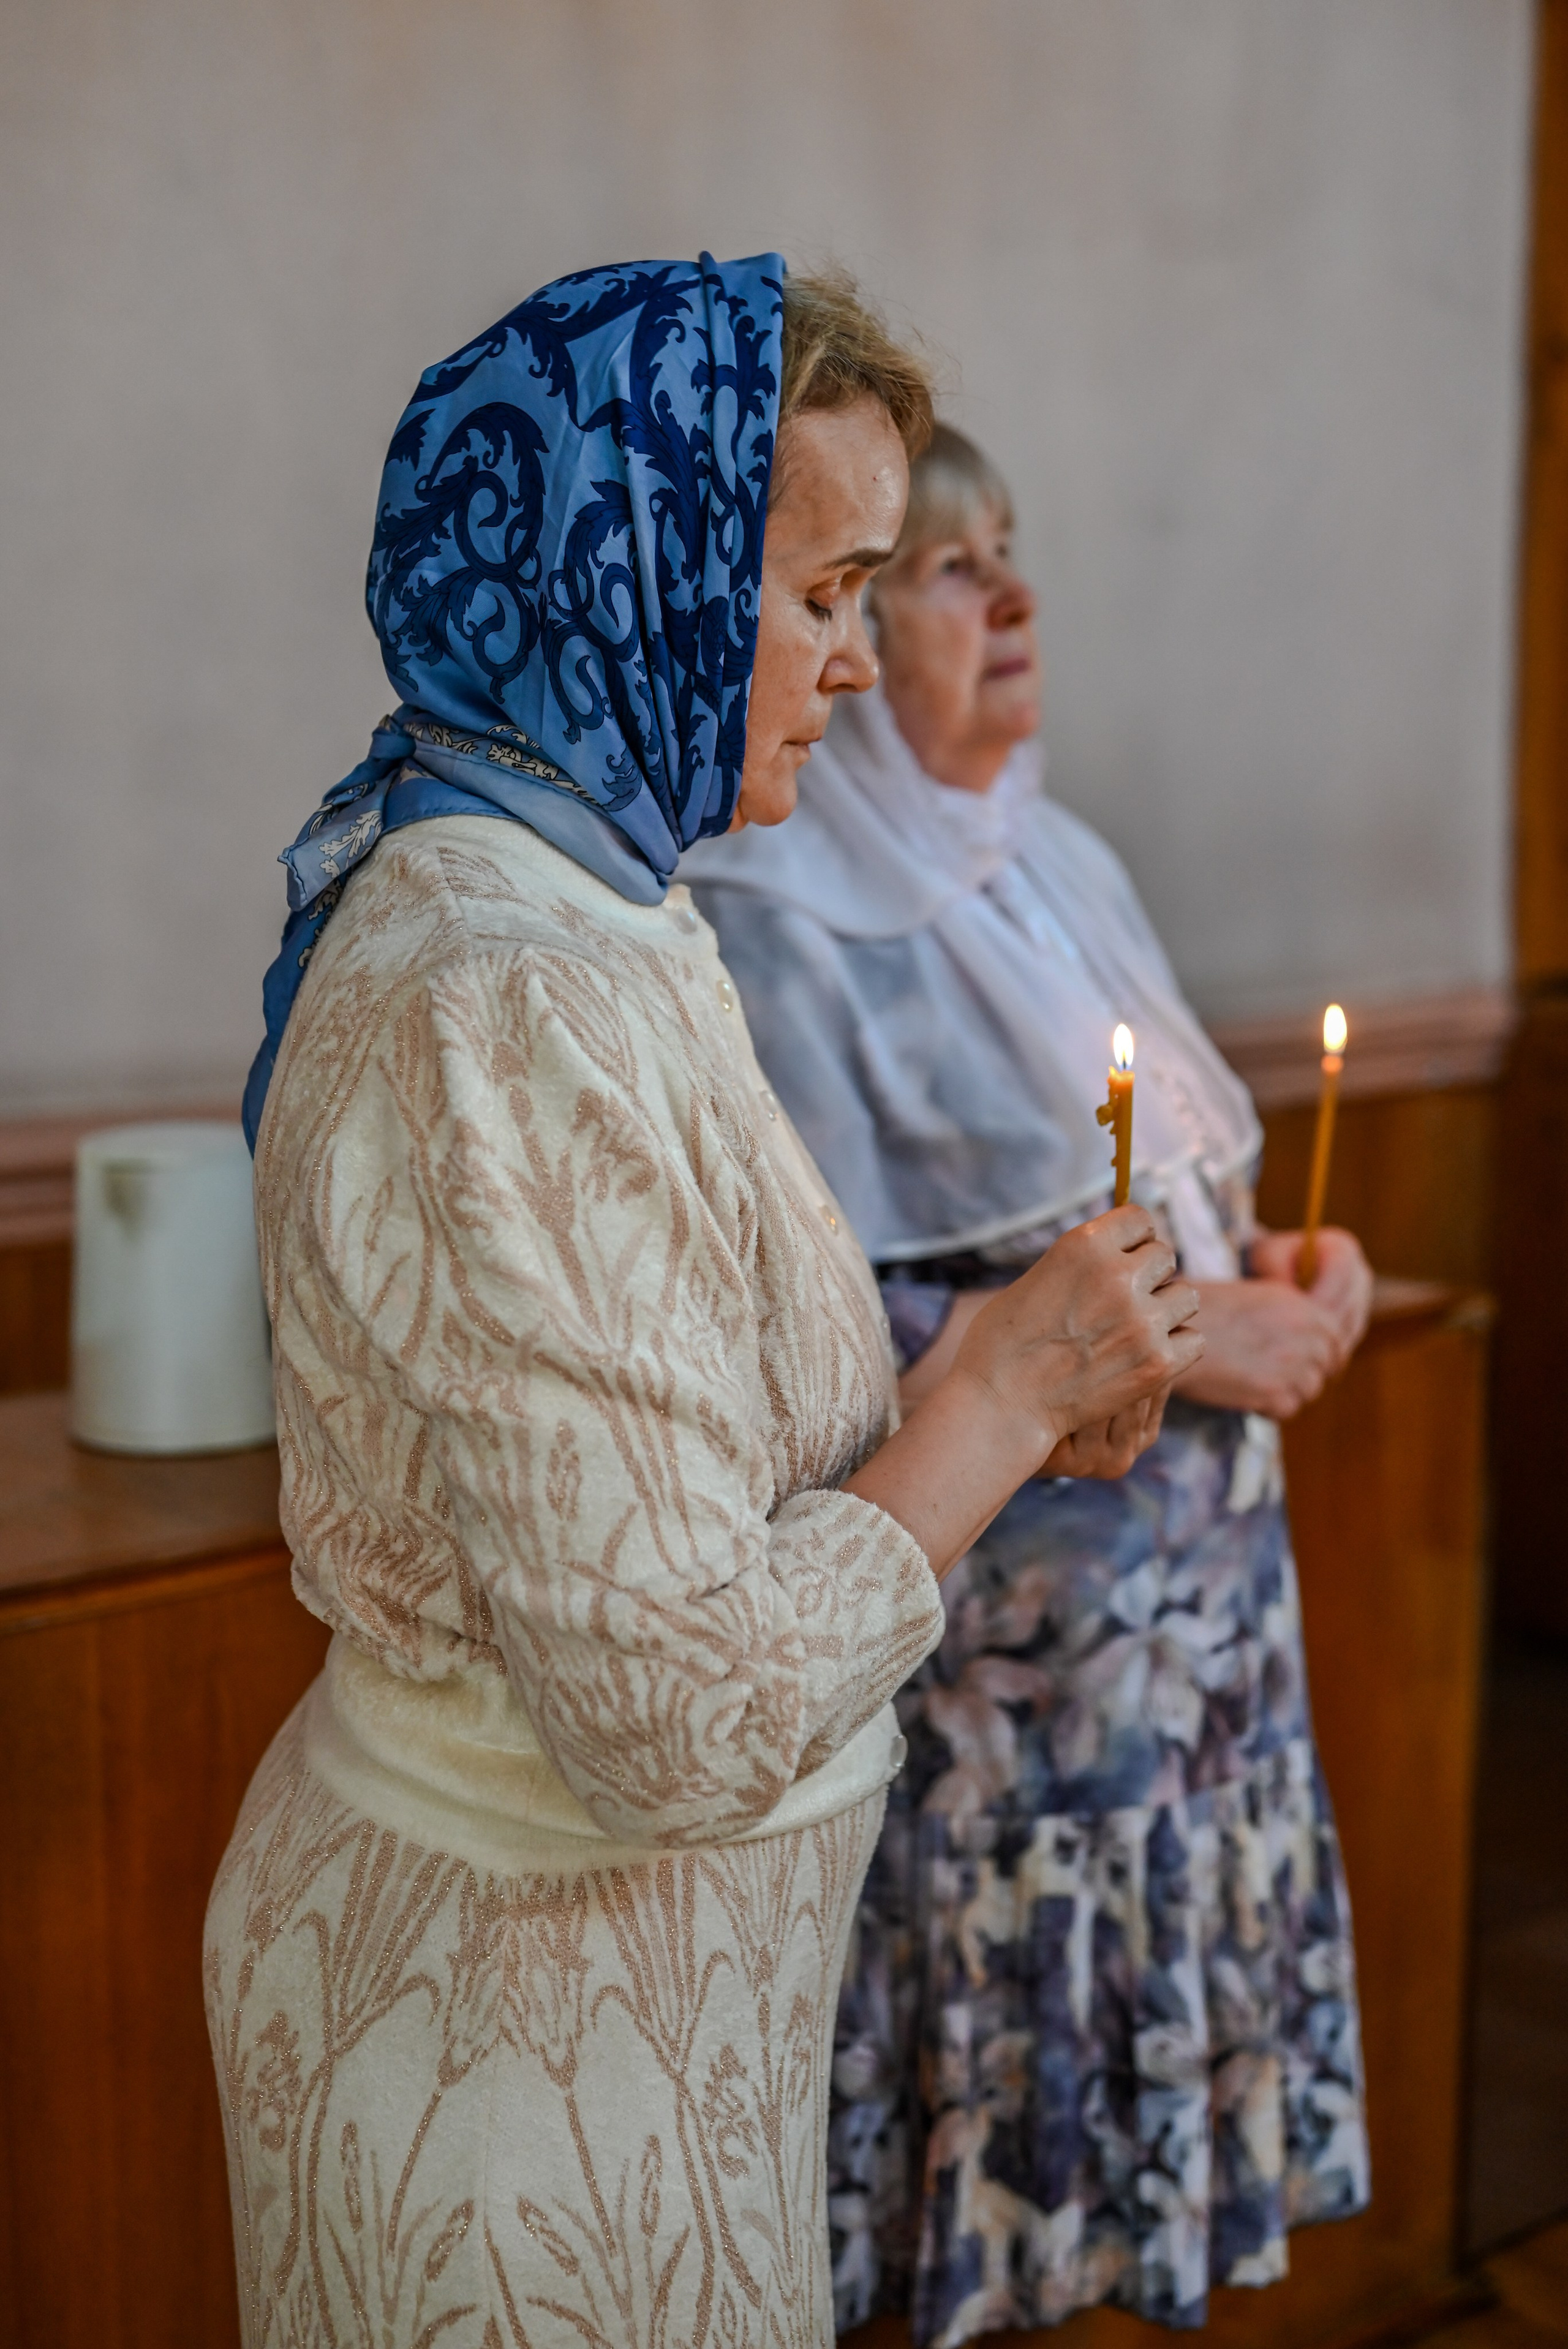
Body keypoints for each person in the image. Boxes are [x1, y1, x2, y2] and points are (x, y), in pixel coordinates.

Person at [205, 270, 1202, 2348]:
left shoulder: (595, 895)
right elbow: (665, 1709)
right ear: (636, 563)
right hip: (505, 2050)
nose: (848, 657)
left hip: (628, 2017)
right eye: (823, 587)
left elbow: (678, 1454)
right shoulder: (508, 986)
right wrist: (997, 1398)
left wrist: (985, 1381)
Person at [681, 423, 1374, 2345]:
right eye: (938, 569)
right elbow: (804, 1348)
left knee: (1132, 2234)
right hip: (1008, 1730)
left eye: (1013, 556)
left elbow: (1177, 1219)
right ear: (826, 626)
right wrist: (1191, 1328)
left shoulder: (1058, 864)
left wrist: (1294, 1279)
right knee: (978, 2227)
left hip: (1191, 1686)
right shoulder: (764, 922)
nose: (1014, 600)